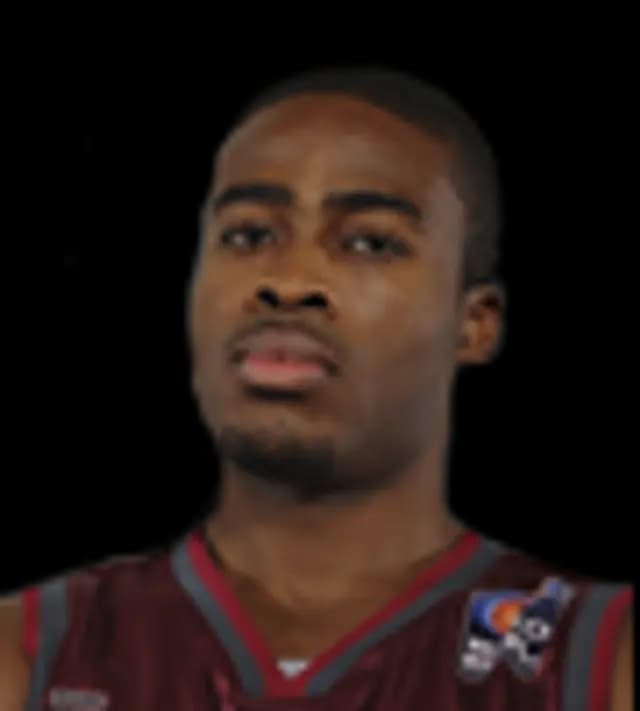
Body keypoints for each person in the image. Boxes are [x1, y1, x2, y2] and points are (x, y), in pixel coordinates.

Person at [1, 67, 633, 710]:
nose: (290, 281)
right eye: (249, 234)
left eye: (370, 242)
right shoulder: (34, 651)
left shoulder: (599, 658)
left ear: (473, 324)